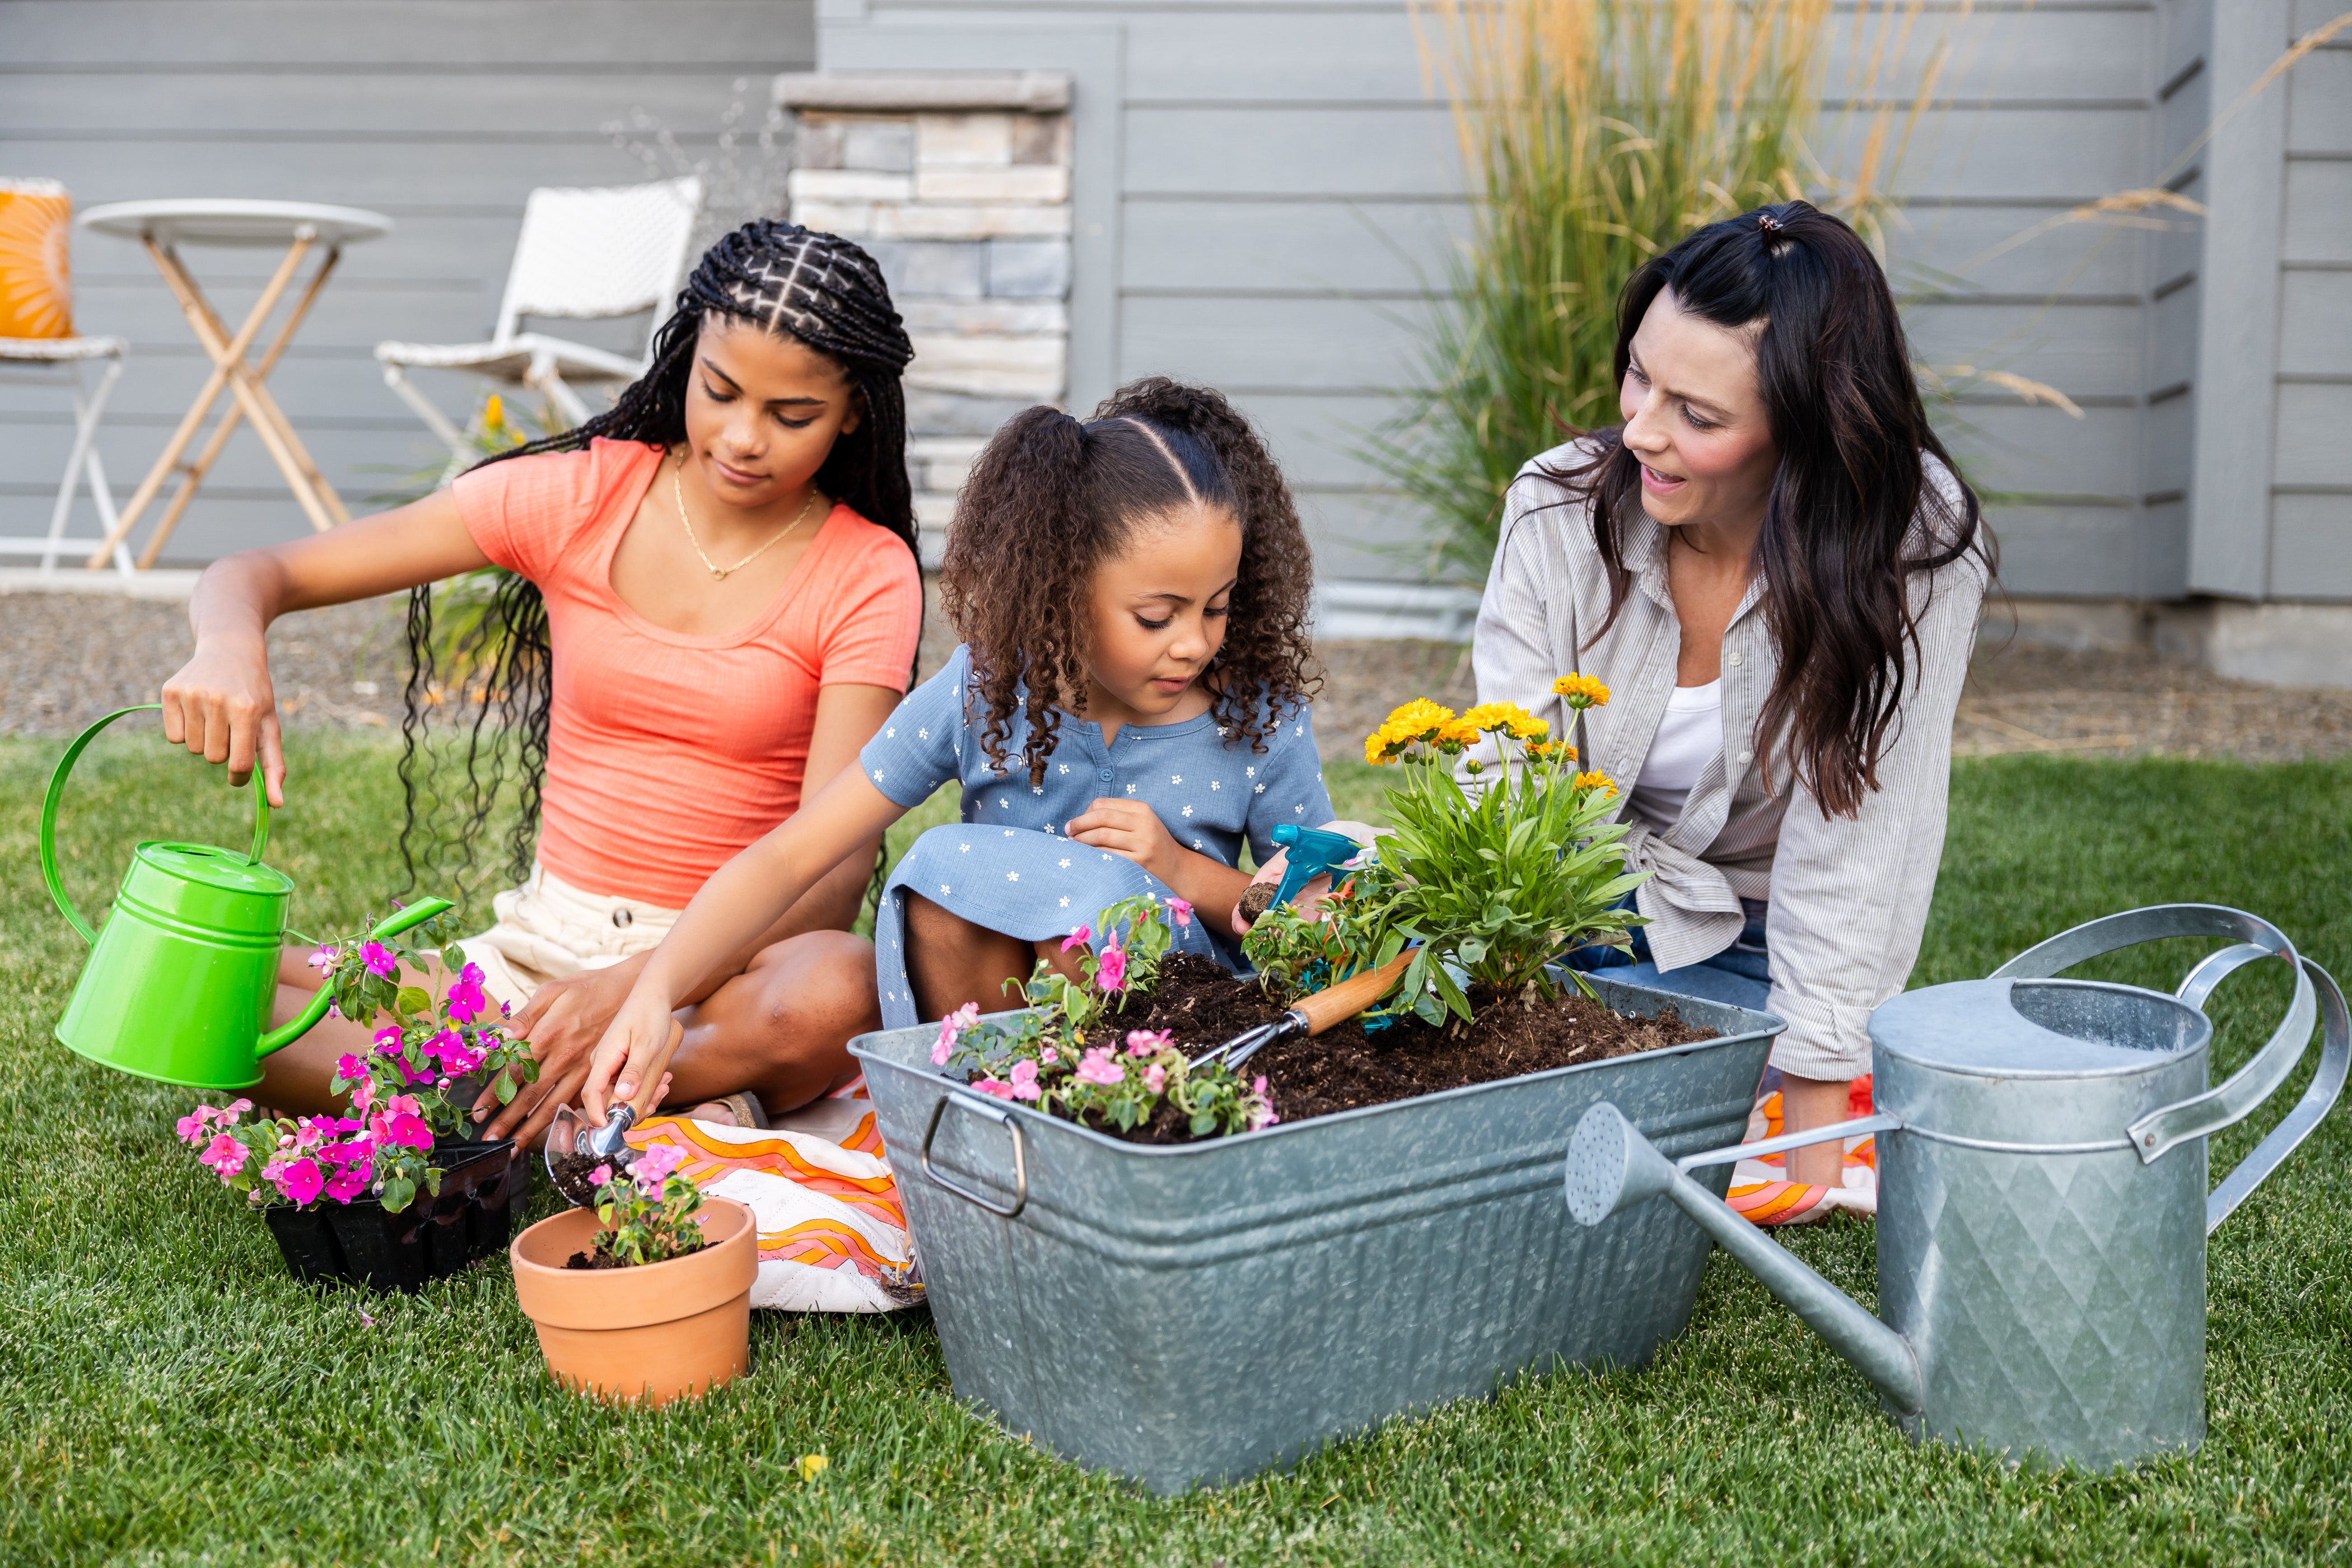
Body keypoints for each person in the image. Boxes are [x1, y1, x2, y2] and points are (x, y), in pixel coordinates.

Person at [158, 221, 925, 1145]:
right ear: (687, 357)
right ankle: (602, 1109)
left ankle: (488, 1099)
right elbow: (262, 571)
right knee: (199, 980)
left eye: (791, 416)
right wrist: (228, 642)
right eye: (718, 391)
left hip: (722, 979)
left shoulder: (866, 573)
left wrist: (640, 989)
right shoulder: (581, 498)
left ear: (852, 414)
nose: (742, 437)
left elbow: (829, 875)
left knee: (838, 986)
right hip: (528, 964)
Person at [569, 377, 1333, 1124]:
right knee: (944, 869)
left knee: (1097, 907)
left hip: (1181, 1055)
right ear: (1063, 589)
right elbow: (792, 856)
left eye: (1217, 607)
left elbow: (1323, 921)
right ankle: (989, 1114)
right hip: (991, 1035)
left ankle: (1096, 1133)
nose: (1194, 643)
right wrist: (655, 989)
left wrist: (1180, 871)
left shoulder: (1258, 721)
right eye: (1157, 617)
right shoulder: (989, 690)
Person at [1471, 201, 1992, 1221]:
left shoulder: (1912, 549)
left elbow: (1860, 844)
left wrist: (1812, 1155)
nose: (1639, 430)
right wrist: (1495, 981)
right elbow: (1511, 776)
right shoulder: (1557, 507)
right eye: (1639, 376)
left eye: (1698, 417)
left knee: (1644, 1114)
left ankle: (1779, 1096)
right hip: (1573, 903)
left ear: (1805, 430)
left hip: (1749, 943)